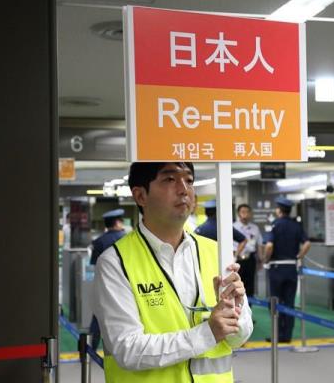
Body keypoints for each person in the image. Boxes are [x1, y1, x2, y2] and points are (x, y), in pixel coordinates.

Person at [93, 162, 252, 383]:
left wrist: (237, 313)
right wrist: (208, 333)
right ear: (140, 195)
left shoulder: (216, 252)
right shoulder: (115, 262)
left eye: (189, 180)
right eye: (169, 179)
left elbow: (238, 339)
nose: (184, 189)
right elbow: (127, 348)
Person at [264, 198, 311, 343]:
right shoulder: (296, 225)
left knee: (275, 302)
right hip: (291, 267)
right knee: (289, 303)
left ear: (279, 210)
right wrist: (299, 256)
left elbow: (269, 246)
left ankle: (277, 335)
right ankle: (287, 336)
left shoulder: (275, 225)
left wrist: (266, 259)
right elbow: (307, 243)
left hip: (277, 267)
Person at [88, 208, 127, 350]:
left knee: (98, 318)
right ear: (117, 222)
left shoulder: (98, 241)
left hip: (104, 286)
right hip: (125, 286)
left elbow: (94, 264)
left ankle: (90, 349)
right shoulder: (127, 239)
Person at [233, 204, 263, 300]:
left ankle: (249, 309)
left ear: (250, 214)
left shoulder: (255, 228)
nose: (245, 214)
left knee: (250, 286)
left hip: (250, 259)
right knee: (237, 284)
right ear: (238, 214)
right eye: (242, 212)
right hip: (237, 259)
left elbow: (259, 244)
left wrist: (260, 260)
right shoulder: (233, 227)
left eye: (247, 212)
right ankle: (237, 310)